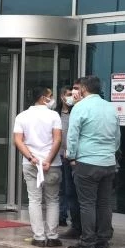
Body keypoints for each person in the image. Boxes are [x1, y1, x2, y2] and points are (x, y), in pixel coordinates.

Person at [65, 76, 120, 248]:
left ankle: (87, 242)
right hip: (108, 162)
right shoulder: (110, 107)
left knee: (87, 204)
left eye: (78, 88)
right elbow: (117, 137)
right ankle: (103, 241)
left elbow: (73, 135)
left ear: (83, 89)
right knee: (104, 203)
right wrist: (110, 153)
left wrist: (71, 156)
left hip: (87, 161)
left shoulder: (80, 107)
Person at [14, 87, 63, 247]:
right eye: (50, 96)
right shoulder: (54, 115)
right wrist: (48, 160)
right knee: (52, 200)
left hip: (30, 164)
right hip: (52, 165)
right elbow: (57, 139)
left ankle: (39, 237)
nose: (53, 99)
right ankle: (53, 236)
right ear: (43, 98)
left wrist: (31, 158)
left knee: (34, 200)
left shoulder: (22, 116)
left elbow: (18, 140)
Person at [57, 85, 81, 239]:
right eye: (68, 94)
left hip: (74, 158)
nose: (71, 97)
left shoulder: (77, 112)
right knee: (63, 189)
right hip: (59, 156)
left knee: (72, 191)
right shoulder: (56, 114)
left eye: (72, 94)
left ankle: (76, 223)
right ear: (62, 97)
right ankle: (62, 216)